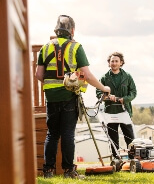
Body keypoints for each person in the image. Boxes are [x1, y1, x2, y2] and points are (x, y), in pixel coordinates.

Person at [35, 15, 110, 179]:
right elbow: (88, 76)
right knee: (68, 133)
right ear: (72, 31)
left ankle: (48, 171)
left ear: (56, 29)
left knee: (52, 134)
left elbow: (39, 75)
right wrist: (103, 88)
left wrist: (53, 84)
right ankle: (69, 171)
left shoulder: (45, 48)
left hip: (51, 97)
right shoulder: (76, 47)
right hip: (69, 96)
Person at [96, 52, 137, 159]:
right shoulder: (104, 78)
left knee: (130, 137)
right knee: (113, 138)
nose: (114, 63)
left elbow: (133, 92)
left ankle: (133, 159)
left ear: (121, 63)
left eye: (116, 61)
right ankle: (116, 159)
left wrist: (124, 99)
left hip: (125, 111)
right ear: (109, 63)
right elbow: (99, 93)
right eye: (112, 61)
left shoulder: (127, 77)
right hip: (110, 112)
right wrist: (108, 97)